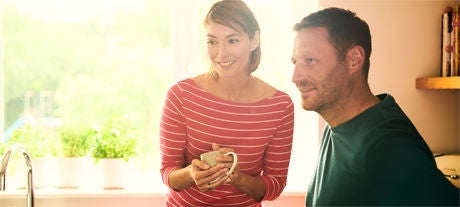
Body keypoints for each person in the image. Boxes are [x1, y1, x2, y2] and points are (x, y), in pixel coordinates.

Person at [291, 7, 460, 206]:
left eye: (309, 60)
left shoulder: (390, 147)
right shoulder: (336, 126)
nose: (296, 77)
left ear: (355, 59)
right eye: (296, 62)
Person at [159, 0, 294, 206]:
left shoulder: (280, 106)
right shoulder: (181, 95)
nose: (221, 53)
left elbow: (275, 184)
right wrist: (192, 173)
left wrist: (238, 177)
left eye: (232, 41)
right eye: (212, 42)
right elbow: (168, 172)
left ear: (254, 40)